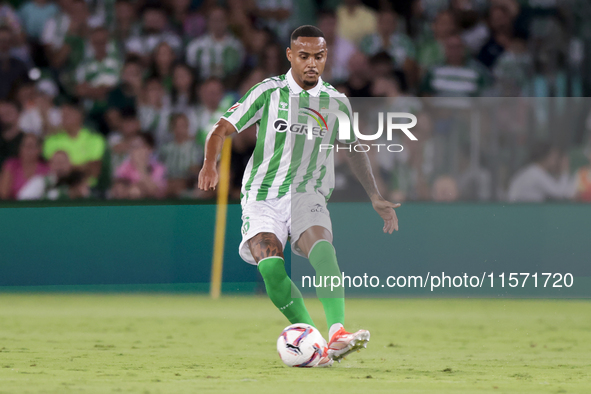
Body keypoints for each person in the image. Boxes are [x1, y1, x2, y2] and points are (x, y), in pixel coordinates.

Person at [198, 25, 400, 366]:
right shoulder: (268, 92)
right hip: (262, 195)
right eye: (303, 56)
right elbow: (221, 129)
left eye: (318, 56)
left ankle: (337, 333)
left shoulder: (336, 101)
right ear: (290, 55)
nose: (311, 63)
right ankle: (312, 339)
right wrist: (209, 165)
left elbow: (353, 148)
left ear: (326, 57)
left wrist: (374, 195)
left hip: (309, 191)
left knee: (323, 249)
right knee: (272, 268)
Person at [43, 102, 105, 184]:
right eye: (62, 115)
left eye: (68, 114)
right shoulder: (51, 140)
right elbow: (51, 170)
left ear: (79, 116)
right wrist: (82, 167)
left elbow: (94, 170)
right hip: (59, 186)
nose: (63, 118)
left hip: (87, 189)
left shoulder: (95, 139)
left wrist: (66, 168)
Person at [507, 142, 574, 202]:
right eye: (554, 158)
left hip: (523, 210)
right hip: (520, 211)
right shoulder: (535, 173)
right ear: (546, 157)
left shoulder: (532, 170)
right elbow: (559, 193)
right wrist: (564, 171)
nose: (556, 162)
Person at [114, 132, 167, 199]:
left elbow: (155, 191)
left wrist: (141, 167)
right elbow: (117, 187)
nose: (134, 151)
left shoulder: (158, 168)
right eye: (133, 147)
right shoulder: (124, 167)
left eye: (139, 147)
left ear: (149, 149)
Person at [0, 133, 49, 199]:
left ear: (39, 149)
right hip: (14, 206)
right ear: (19, 148)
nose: (28, 150)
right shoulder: (11, 165)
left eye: (31, 146)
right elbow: (3, 193)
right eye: (25, 146)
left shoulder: (46, 169)